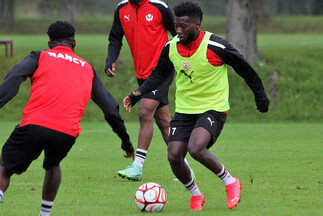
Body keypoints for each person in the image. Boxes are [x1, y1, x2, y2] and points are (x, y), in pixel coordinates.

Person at [123, 1, 270, 211]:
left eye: (183, 26)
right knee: (174, 155)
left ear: (197, 24)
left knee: (195, 148)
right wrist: (138, 93)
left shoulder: (215, 46)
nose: (178, 30)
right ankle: (196, 195)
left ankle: (230, 182)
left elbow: (245, 68)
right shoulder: (171, 47)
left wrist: (261, 97)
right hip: (184, 110)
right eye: (176, 26)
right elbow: (159, 74)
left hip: (213, 108)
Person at [0, 21, 134, 216]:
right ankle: (44, 214)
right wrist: (126, 142)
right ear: (74, 44)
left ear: (50, 44)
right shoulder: (87, 68)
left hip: (34, 125)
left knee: (4, 167)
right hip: (66, 133)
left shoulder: (40, 56)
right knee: (53, 164)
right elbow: (111, 109)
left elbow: (13, 79)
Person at [105, 0, 194, 181]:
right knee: (163, 122)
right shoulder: (121, 9)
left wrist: (183, 58)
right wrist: (110, 59)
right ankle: (185, 169)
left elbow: (178, 33)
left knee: (145, 112)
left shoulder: (159, 7)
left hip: (161, 71)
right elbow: (115, 37)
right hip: (142, 73)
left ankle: (137, 167)